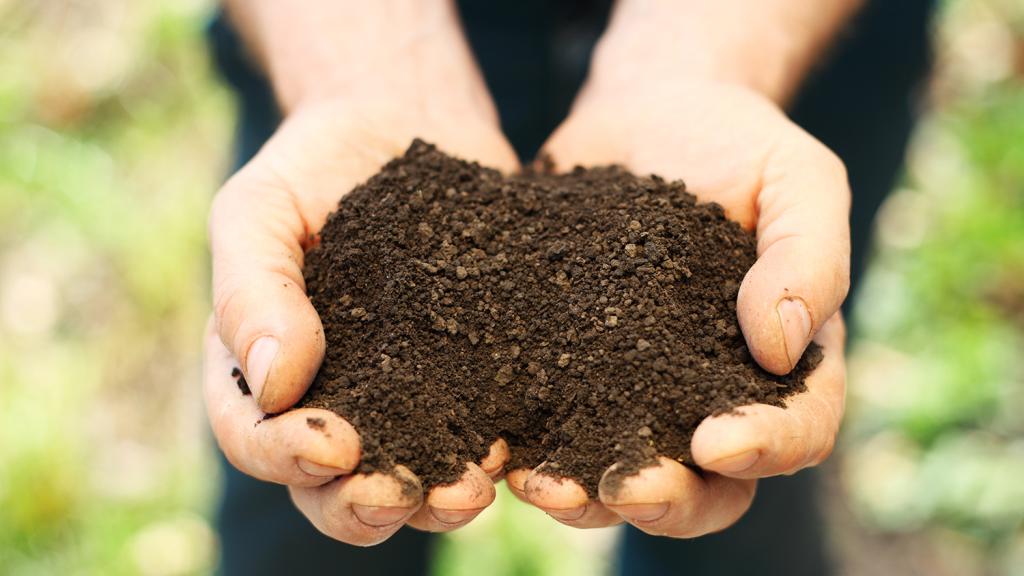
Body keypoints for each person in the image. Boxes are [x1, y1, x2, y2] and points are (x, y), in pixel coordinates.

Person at [203, 1, 936, 574]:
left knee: (735, 492)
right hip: (357, 38)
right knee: (313, 506)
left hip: (765, 39)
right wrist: (357, 67)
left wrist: (705, 59)